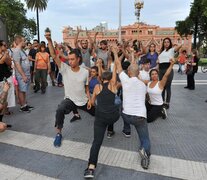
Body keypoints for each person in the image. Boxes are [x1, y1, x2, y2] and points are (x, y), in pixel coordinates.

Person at [45, 31, 95, 147]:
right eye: (69, 59)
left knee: (98, 113)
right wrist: (49, 41)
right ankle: (58, 134)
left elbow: (87, 87)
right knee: (60, 109)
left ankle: (107, 128)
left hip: (83, 100)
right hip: (70, 100)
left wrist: (90, 100)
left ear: (78, 59)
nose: (70, 61)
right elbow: (53, 55)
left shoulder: (84, 72)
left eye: (72, 59)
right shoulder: (65, 69)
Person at [84, 48, 120, 179]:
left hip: (100, 118)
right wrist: (115, 55)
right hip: (113, 117)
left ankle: (91, 167)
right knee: (117, 104)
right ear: (111, 79)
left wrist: (90, 102)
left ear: (101, 79)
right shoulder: (113, 85)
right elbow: (115, 69)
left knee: (96, 142)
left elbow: (92, 103)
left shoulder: (98, 87)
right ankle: (111, 129)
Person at [115, 50, 151, 170]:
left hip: (126, 115)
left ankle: (126, 129)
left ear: (129, 72)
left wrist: (115, 53)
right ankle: (145, 154)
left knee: (122, 107)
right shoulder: (143, 84)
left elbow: (118, 65)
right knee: (145, 139)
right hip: (139, 116)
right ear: (138, 72)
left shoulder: (125, 80)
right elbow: (136, 73)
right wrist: (132, 57)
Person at [146, 59, 175, 123]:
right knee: (142, 115)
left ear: (158, 75)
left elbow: (166, 75)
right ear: (150, 76)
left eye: (156, 74)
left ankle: (161, 111)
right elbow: (139, 79)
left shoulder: (160, 83)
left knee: (148, 120)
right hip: (150, 104)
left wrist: (171, 65)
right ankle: (155, 111)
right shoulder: (148, 83)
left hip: (157, 105)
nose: (154, 75)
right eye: (152, 74)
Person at [158, 37, 182, 109]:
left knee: (168, 87)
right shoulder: (162, 51)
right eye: (165, 42)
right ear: (163, 43)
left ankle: (167, 103)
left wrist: (177, 43)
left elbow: (180, 46)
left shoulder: (172, 50)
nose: (166, 43)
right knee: (162, 87)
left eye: (168, 42)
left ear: (170, 43)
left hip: (168, 69)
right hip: (161, 70)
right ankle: (162, 102)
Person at [13, 35, 34, 112]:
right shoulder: (16, 51)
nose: (25, 42)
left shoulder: (22, 50)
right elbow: (17, 64)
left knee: (24, 90)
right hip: (22, 75)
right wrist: (23, 75)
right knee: (21, 90)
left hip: (26, 74)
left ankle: (25, 104)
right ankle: (23, 106)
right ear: (19, 42)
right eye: (24, 41)